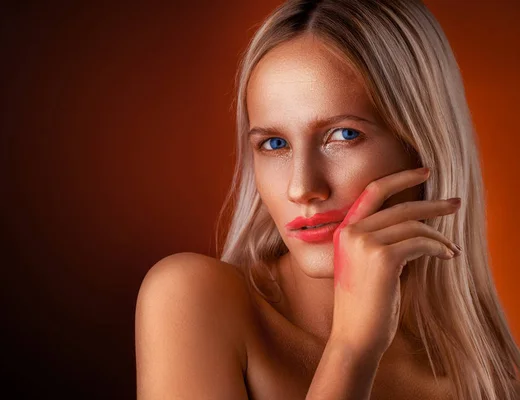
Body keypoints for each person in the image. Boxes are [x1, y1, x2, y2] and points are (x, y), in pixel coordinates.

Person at [135, 0, 520, 398]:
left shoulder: (491, 383)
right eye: (274, 143)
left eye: (344, 135)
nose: (301, 187)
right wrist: (351, 350)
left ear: (424, 146)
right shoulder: (194, 300)